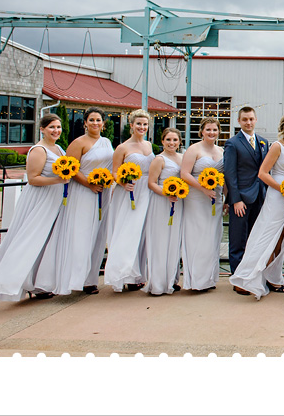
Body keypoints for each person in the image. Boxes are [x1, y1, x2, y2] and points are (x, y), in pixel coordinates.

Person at [0, 114, 67, 306]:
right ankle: (11, 281)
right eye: (52, 127)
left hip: (55, 199)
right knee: (31, 238)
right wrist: (59, 180)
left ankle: (39, 282)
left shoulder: (59, 149)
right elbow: (34, 178)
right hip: (40, 199)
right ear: (42, 129)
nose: (56, 131)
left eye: (58, 127)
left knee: (47, 240)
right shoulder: (38, 150)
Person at [229, 113, 284, 298]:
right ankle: (245, 276)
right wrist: (283, 189)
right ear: (283, 127)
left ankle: (273, 276)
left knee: (283, 237)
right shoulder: (277, 147)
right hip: (277, 195)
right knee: (267, 235)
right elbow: (263, 173)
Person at [39, 107, 113, 296]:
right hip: (83, 191)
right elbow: (72, 169)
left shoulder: (106, 142)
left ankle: (90, 280)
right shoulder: (78, 143)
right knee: (80, 234)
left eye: (99, 120)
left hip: (103, 192)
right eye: (92, 120)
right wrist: (89, 184)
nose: (95, 123)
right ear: (85, 123)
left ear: (103, 124)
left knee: (98, 235)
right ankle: (73, 278)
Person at [104, 109, 155, 292]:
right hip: (129, 192)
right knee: (127, 231)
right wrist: (123, 182)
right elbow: (115, 171)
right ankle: (121, 273)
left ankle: (137, 274)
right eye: (139, 124)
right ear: (131, 125)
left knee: (142, 233)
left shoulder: (149, 145)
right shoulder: (122, 148)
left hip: (146, 192)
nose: (142, 127)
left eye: (145, 124)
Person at [223, 106, 269, 287]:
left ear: (255, 120)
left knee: (255, 238)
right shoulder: (233, 143)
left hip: (260, 197)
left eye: (251, 119)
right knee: (238, 239)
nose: (248, 122)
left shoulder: (264, 142)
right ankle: (238, 280)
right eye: (245, 119)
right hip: (241, 199)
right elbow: (230, 173)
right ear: (239, 121)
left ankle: (253, 276)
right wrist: (236, 200)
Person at [181, 116, 226, 291]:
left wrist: (226, 199)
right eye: (208, 129)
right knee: (197, 236)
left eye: (215, 130)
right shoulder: (194, 149)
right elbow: (185, 174)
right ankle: (196, 280)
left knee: (213, 236)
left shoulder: (222, 151)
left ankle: (208, 279)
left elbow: (225, 178)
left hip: (216, 198)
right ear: (201, 131)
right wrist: (203, 189)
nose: (211, 132)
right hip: (197, 198)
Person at [142, 127, 185, 295]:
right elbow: (151, 183)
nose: (171, 143)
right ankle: (158, 282)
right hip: (161, 203)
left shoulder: (183, 158)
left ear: (179, 142)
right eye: (168, 140)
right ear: (162, 141)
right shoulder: (159, 159)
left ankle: (172, 280)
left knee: (174, 241)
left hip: (178, 203)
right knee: (161, 240)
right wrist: (167, 193)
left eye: (175, 140)